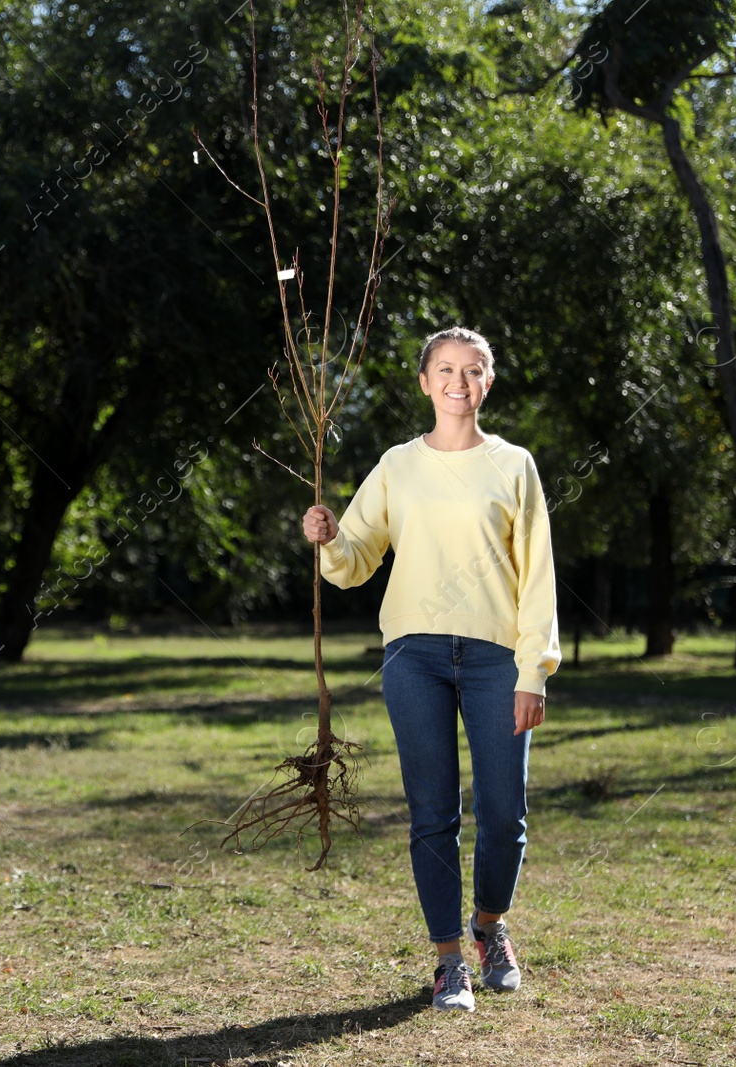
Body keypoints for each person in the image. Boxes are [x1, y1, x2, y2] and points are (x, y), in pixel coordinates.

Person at [301, 326, 561, 1013]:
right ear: (425, 382)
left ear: (488, 382)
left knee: (505, 812)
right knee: (432, 814)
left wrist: (533, 669)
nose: (457, 380)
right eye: (444, 369)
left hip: (497, 659)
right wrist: (329, 537)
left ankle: (490, 924)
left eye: (472, 370)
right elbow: (355, 556)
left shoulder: (515, 465)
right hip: (413, 655)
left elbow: (538, 575)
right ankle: (450, 958)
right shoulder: (396, 466)